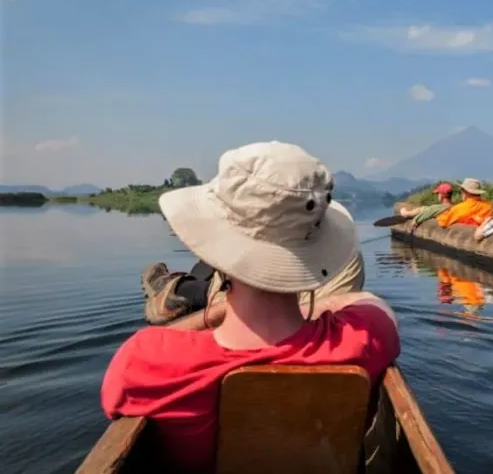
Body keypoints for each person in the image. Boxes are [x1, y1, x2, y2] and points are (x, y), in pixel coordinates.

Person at [101, 141, 401, 473]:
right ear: (313, 260)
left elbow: (115, 398)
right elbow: (372, 303)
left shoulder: (145, 359)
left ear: (219, 257)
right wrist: (318, 309)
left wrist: (213, 315)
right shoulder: (366, 338)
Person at [141, 251, 366, 325]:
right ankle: (172, 284)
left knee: (199, 283)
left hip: (224, 300)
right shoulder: (375, 329)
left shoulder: (144, 351)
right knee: (205, 272)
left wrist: (219, 312)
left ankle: (169, 286)